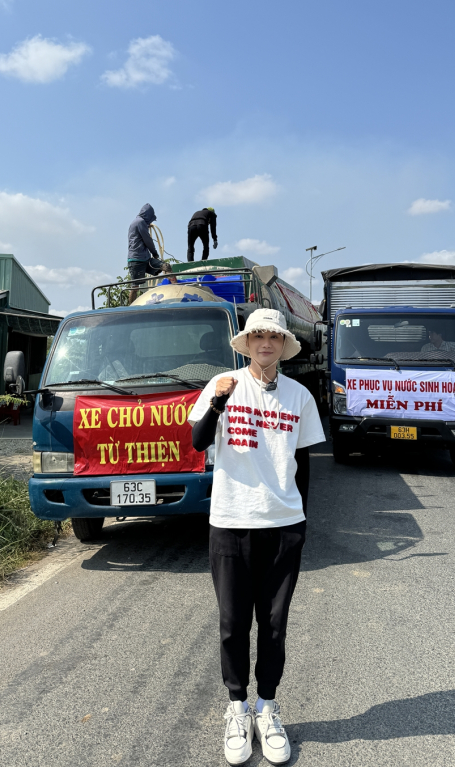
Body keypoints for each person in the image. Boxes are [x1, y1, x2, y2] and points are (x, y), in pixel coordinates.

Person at [189, 308, 325, 765]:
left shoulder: (300, 396)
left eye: (273, 337)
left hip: (283, 526)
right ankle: (236, 708)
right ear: (246, 344)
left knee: (274, 623)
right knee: (232, 623)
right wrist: (217, 402)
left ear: (283, 345)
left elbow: (303, 463)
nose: (265, 343)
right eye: (257, 337)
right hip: (230, 522)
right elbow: (198, 441)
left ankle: (266, 707)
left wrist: (301, 519)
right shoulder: (222, 385)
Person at [127, 204, 170, 303]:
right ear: (148, 216)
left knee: (166, 267)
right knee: (135, 287)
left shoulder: (138, 222)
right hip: (136, 260)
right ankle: (131, 307)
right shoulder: (140, 222)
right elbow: (148, 240)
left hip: (145, 258)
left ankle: (175, 290)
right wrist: (154, 253)